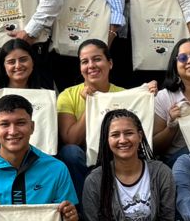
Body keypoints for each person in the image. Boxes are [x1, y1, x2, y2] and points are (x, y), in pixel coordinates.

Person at [54, 38, 139, 191]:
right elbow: (71, 140)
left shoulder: (125, 95)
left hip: (116, 154)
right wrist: (90, 105)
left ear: (110, 63)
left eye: (97, 59)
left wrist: (147, 92)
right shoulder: (67, 95)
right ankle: (83, 208)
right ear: (80, 68)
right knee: (70, 152)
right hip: (83, 160)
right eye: (85, 62)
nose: (91, 65)